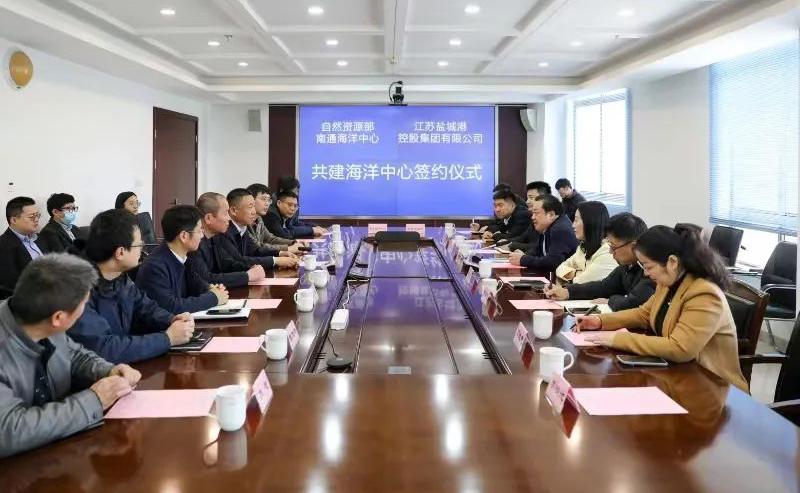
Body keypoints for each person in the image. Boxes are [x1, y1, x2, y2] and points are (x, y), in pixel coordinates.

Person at [0, 253, 141, 458]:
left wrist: (108, 370)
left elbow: (72, 353)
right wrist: (95, 400)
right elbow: (10, 430)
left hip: (55, 452)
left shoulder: (42, 319)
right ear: (58, 317)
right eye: (84, 304)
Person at [576, 225, 748, 392]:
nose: (645, 273)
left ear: (672, 262)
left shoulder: (704, 293)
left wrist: (618, 339)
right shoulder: (668, 283)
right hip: (678, 374)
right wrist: (600, 321)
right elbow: (644, 314)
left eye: (648, 266)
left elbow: (680, 348)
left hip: (712, 386)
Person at [69, 209, 195, 364]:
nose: (143, 249)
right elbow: (103, 349)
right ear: (120, 253)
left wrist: (172, 320)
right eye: (139, 245)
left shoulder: (119, 276)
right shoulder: (77, 289)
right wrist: (167, 338)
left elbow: (146, 308)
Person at [545, 213, 656, 311]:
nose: (610, 251)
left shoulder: (650, 270)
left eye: (613, 247)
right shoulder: (627, 266)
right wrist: (567, 292)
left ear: (633, 247)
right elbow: (603, 287)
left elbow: (633, 303)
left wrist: (610, 300)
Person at [136, 205, 228, 314]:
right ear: (184, 236)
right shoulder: (155, 266)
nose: (202, 236)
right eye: (199, 231)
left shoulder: (184, 258)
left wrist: (210, 289)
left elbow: (196, 284)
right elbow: (171, 307)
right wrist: (214, 298)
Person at [185, 192, 267, 289]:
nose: (229, 218)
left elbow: (227, 263)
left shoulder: (215, 236)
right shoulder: (194, 243)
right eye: (225, 213)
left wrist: (251, 268)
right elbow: (206, 279)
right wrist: (248, 276)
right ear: (208, 218)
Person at [226, 188, 299, 270]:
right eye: (250, 207)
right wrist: (275, 260)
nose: (254, 212)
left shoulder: (243, 227)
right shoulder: (225, 231)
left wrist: (280, 253)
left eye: (254, 206)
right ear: (233, 210)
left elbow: (256, 250)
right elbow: (238, 261)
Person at [509, 194, 578, 271]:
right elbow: (537, 251)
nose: (532, 217)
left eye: (536, 213)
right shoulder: (548, 227)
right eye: (532, 213)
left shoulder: (560, 229)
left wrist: (523, 259)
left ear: (551, 215)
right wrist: (523, 256)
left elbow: (553, 262)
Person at [554, 201, 617, 284]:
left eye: (576, 220)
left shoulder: (607, 251)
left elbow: (581, 282)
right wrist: (577, 273)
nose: (573, 225)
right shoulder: (583, 247)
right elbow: (559, 268)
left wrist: (575, 274)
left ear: (590, 223)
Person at [0, 197, 46, 298]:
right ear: (14, 220)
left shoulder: (40, 238)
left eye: (38, 215)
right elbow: (10, 286)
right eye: (32, 217)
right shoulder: (4, 246)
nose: (37, 220)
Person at [246, 183, 303, 254]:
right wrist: (287, 248)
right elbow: (256, 247)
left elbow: (270, 238)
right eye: (264, 199)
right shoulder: (244, 222)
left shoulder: (259, 218)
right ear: (251, 200)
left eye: (268, 200)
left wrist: (293, 242)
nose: (267, 203)